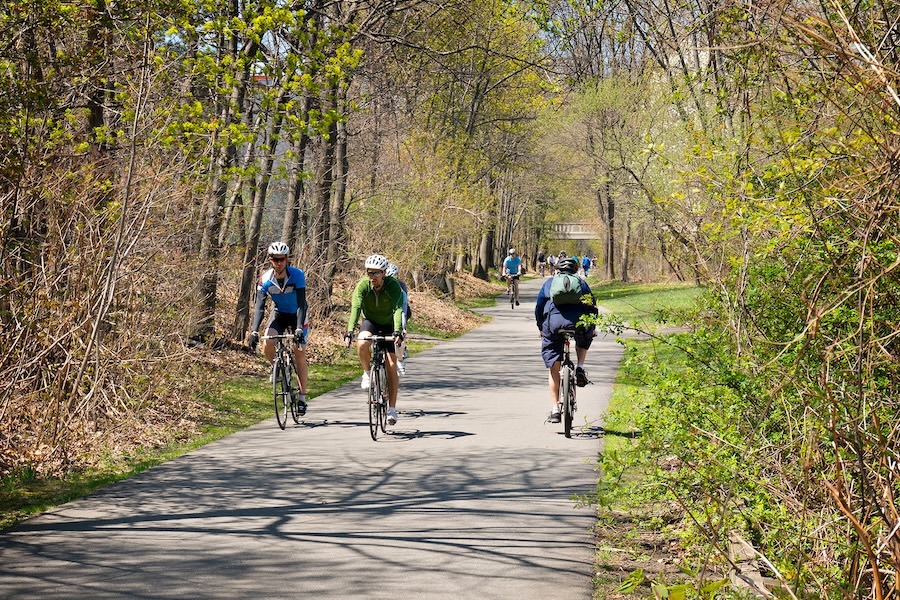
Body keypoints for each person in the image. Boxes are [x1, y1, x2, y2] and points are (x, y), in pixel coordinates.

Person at [248, 241, 309, 415]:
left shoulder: (297, 275)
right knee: (267, 342)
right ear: (270, 260)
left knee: (300, 353)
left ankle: (302, 398)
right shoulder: (265, 279)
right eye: (275, 259)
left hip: (298, 314)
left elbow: (301, 304)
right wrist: (254, 331)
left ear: (287, 259)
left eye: (282, 259)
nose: (279, 262)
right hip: (280, 314)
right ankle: (277, 366)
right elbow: (259, 307)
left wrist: (298, 328)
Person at [534, 257, 597, 423]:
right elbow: (592, 306)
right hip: (579, 322)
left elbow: (539, 307)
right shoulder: (582, 284)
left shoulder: (550, 283)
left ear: (558, 269)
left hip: (553, 324)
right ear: (576, 270)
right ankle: (580, 367)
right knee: (583, 339)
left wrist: (541, 327)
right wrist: (592, 326)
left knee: (553, 366)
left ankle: (555, 409)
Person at [345, 254, 405, 425]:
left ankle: (392, 409)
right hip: (370, 322)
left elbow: (397, 309)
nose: (372, 277)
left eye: (376, 274)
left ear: (384, 273)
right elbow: (356, 307)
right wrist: (350, 330)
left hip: (388, 324)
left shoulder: (393, 286)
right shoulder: (363, 286)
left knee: (392, 365)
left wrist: (398, 331)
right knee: (362, 342)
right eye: (369, 273)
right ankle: (366, 373)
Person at [386, 262, 411, 375]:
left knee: (400, 328)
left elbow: (403, 308)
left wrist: (403, 328)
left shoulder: (401, 286)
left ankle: (401, 355)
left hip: (400, 308)